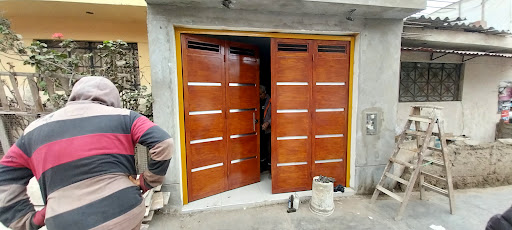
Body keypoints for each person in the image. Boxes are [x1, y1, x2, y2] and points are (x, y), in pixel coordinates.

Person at [0, 77, 173, 230]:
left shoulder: (34, 129)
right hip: (123, 212)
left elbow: (4, 177)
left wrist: (28, 220)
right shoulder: (125, 117)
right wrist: (147, 182)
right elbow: (163, 143)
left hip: (65, 221)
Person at [260, 85, 271, 171]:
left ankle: (269, 167)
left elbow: (276, 114)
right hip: (259, 128)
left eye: (260, 94)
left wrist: (268, 122)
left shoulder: (270, 101)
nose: (259, 96)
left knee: (269, 148)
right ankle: (262, 166)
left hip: (268, 129)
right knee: (261, 147)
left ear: (264, 93)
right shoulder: (258, 101)